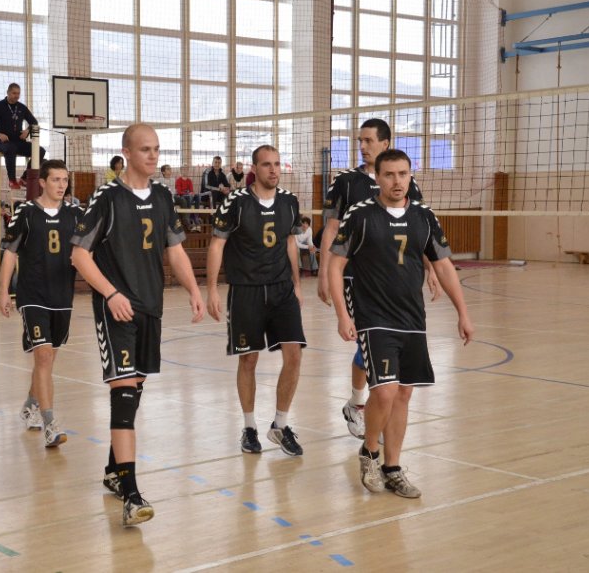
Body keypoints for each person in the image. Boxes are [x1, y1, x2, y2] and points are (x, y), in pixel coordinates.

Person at [71, 123, 204, 526]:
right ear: (126, 153)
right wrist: (111, 294)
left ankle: (115, 471)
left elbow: (175, 249)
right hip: (116, 309)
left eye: (157, 149)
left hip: (151, 306)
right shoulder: (107, 197)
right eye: (145, 149)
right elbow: (79, 255)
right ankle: (131, 495)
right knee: (124, 392)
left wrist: (194, 289)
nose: (153, 155)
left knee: (135, 389)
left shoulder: (162, 196)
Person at [328, 149, 473, 498]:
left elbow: (443, 265)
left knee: (404, 393)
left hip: (412, 317)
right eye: (390, 174)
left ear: (411, 176)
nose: (397, 181)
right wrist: (343, 315)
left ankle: (392, 468)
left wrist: (463, 312)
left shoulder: (424, 215)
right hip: (373, 316)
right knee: (385, 390)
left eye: (403, 174)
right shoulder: (361, 215)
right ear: (377, 178)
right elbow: (335, 265)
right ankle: (369, 452)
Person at [317, 118, 439, 440]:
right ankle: (362, 405)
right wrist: (323, 272)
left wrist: (431, 268)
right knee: (368, 339)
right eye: (360, 140)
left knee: (378, 345)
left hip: (397, 281)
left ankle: (365, 406)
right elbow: (331, 229)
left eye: (369, 140)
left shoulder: (407, 183)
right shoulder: (346, 181)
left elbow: (418, 229)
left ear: (385, 144)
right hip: (356, 278)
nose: (362, 146)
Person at [206, 144, 307, 457]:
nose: (273, 170)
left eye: (277, 164)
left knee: (294, 354)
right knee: (248, 359)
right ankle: (249, 428)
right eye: (266, 164)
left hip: (281, 288)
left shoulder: (289, 201)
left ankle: (280, 424)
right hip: (246, 289)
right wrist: (211, 289)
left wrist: (297, 284)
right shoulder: (236, 202)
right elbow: (217, 244)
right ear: (254, 169)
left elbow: (290, 242)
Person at [0, 160, 81, 448]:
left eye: (65, 180)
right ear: (43, 182)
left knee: (47, 360)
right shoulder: (26, 213)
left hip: (62, 297)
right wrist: (3, 291)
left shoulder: (75, 214)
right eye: (56, 179)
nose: (61, 185)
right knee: (43, 357)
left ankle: (30, 404)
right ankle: (50, 425)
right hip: (33, 296)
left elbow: (88, 250)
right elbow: (10, 253)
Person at [0, 83, 46, 190]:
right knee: (11, 148)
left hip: (19, 142)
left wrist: (27, 131)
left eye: (18, 93)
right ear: (8, 92)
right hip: (3, 142)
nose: (16, 96)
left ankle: (24, 178)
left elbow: (34, 122)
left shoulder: (22, 107)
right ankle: (12, 180)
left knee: (40, 150)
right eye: (14, 93)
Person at [158, 164, 198, 231]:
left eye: (170, 168)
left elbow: (173, 192)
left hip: (172, 197)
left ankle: (186, 220)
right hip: (164, 199)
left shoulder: (172, 180)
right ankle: (178, 224)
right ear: (163, 172)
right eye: (168, 169)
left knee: (183, 200)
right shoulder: (160, 180)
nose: (170, 170)